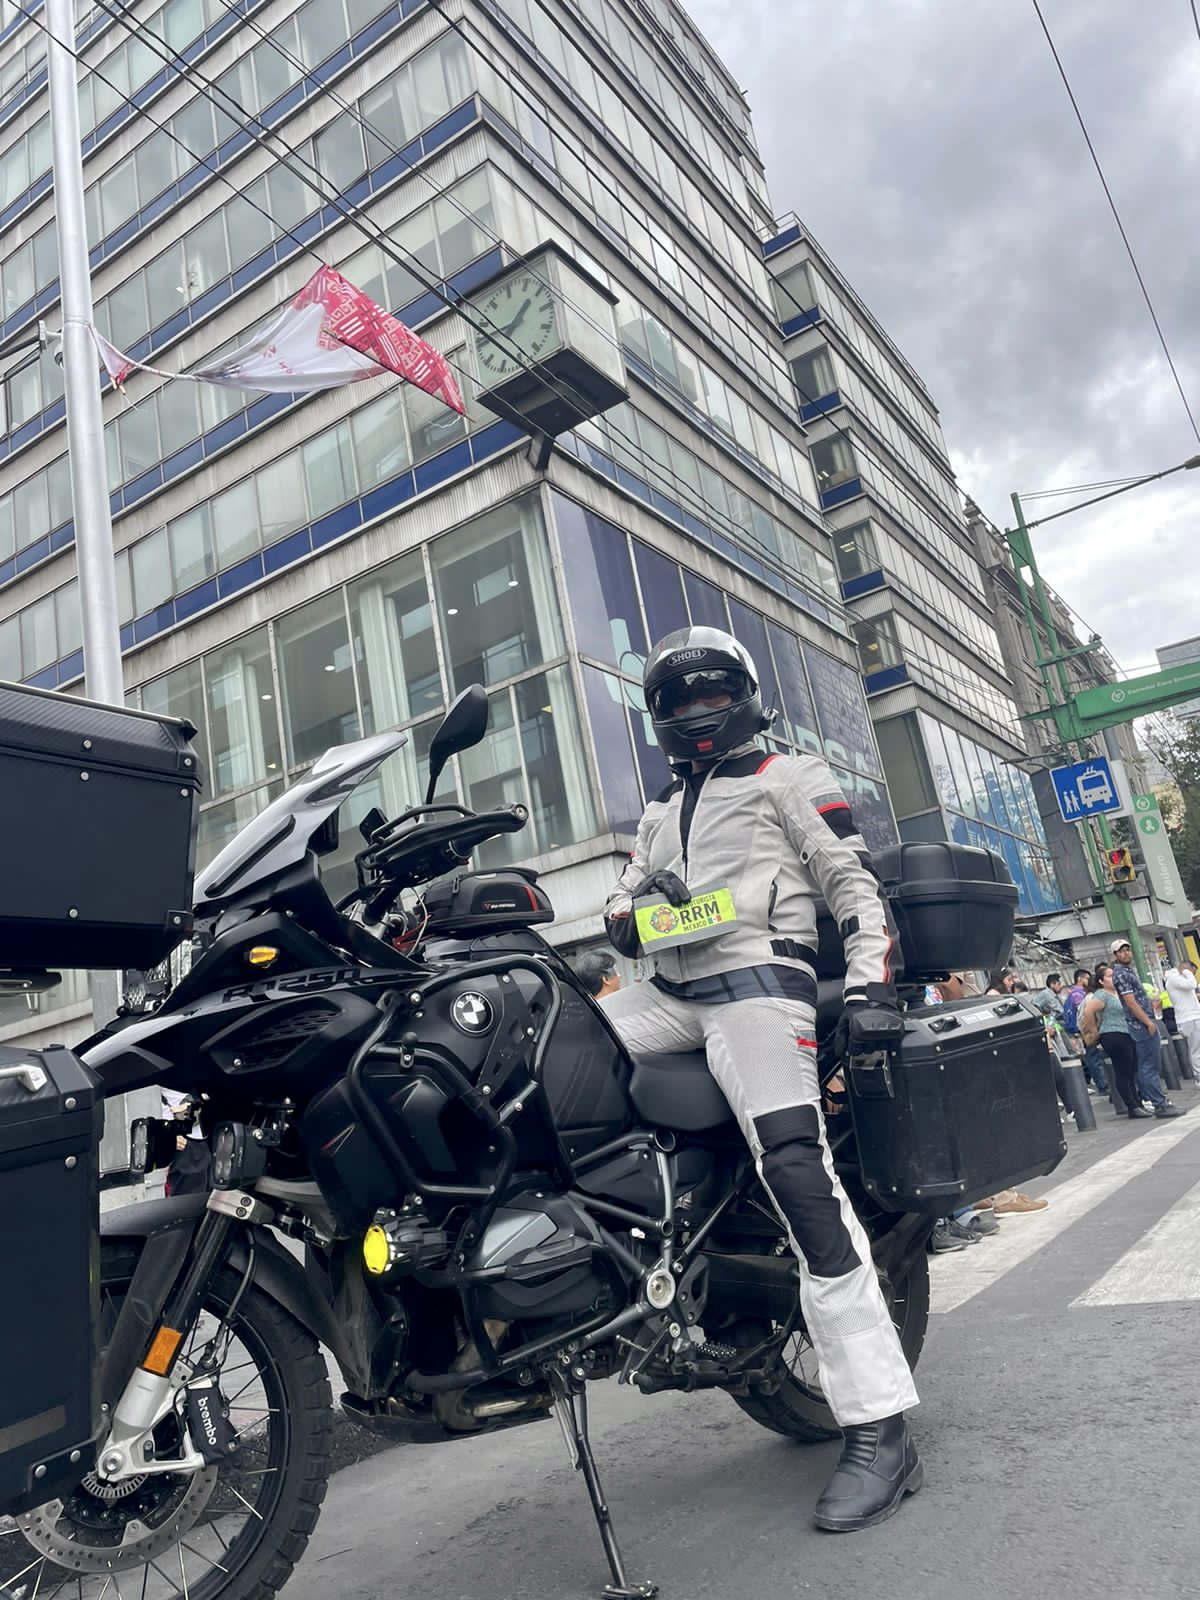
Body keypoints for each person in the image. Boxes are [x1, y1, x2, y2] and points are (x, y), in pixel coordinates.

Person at [601, 626, 920, 1532]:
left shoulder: (790, 776)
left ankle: (882, 1425)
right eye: (679, 699)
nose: (698, 710)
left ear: (742, 697)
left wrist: (870, 988)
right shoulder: (660, 809)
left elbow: (856, 886)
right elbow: (619, 904)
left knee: (796, 1171)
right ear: (660, 716)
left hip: (759, 986)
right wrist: (635, 912)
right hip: (668, 994)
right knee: (554, 1057)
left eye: (713, 693)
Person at [1109, 940, 1181, 1118]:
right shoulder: (1121, 974)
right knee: (1149, 1065)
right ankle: (1159, 1103)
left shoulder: (1126, 971)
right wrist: (1148, 1022)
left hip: (1142, 1022)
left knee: (1148, 1065)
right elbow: (1131, 1002)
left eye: (1127, 950)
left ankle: (1157, 1100)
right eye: (1121, 951)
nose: (1126, 953)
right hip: (1140, 1025)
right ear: (1115, 955)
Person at [1082, 963, 1144, 1118]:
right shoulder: (1102, 994)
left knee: (1131, 1070)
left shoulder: (1119, 993)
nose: (1113, 979)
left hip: (1127, 1033)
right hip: (1112, 1034)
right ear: (1101, 981)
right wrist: (1094, 1031)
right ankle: (1132, 1106)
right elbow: (1088, 1011)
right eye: (1109, 976)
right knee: (1123, 1071)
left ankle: (1137, 1103)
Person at [1063, 969, 1107, 1095]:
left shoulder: (1077, 993)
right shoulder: (1080, 994)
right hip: (1088, 1031)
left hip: (1084, 1031)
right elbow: (1085, 1013)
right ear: (1080, 979)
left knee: (1093, 1058)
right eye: (1086, 978)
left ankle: (1102, 1084)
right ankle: (1103, 1085)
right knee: (1094, 1058)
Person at [1164, 959, 1200, 1083]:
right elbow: (1192, 984)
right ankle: (1198, 1077)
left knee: (1196, 1048)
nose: (1192, 975)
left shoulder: (1178, 979)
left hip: (1192, 1017)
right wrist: (1186, 971)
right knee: (1196, 1050)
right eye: (1192, 972)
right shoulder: (1174, 978)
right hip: (1189, 1019)